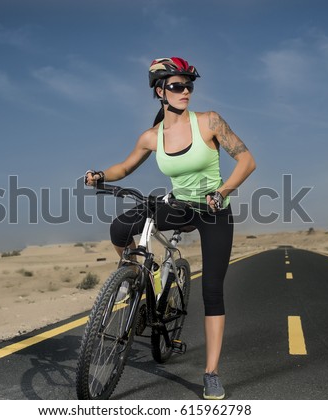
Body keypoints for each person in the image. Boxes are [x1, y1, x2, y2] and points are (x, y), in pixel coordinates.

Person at [85, 57, 256, 400]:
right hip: (178, 206)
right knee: (120, 228)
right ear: (160, 91)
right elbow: (125, 167)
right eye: (177, 86)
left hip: (212, 211)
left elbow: (247, 161)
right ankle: (137, 280)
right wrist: (101, 175)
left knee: (211, 290)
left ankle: (211, 373)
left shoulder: (209, 122)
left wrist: (221, 192)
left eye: (189, 85)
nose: (186, 92)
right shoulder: (152, 136)